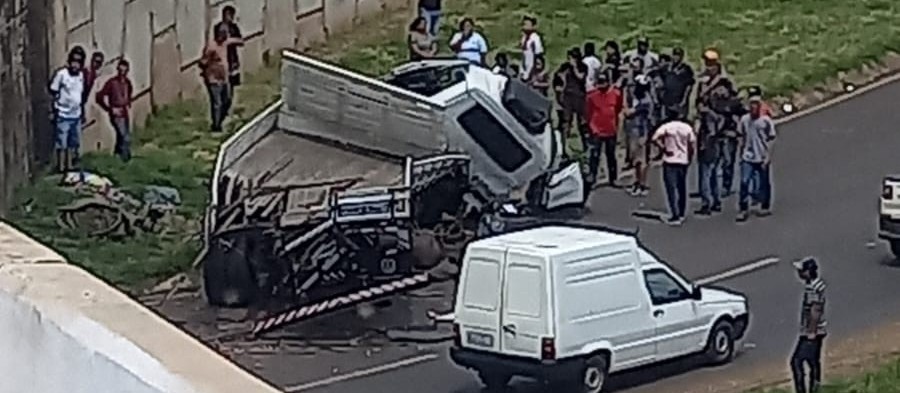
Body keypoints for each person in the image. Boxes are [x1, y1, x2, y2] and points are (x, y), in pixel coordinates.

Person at [696, 49, 742, 197]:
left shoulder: (726, 82)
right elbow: (698, 101)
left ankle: (726, 186)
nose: (708, 67)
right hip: (708, 126)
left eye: (711, 64)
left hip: (726, 125)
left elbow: (735, 102)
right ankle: (707, 188)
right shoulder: (702, 82)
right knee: (707, 159)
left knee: (727, 158)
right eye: (707, 63)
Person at [735, 95, 776, 222]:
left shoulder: (765, 121)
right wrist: (741, 153)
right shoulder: (744, 120)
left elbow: (771, 138)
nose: (753, 107)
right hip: (748, 156)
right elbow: (740, 136)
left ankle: (765, 205)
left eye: (756, 104)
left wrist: (768, 156)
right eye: (751, 104)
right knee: (744, 182)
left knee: (764, 183)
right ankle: (743, 208)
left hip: (761, 156)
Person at [652, 111, 696, 226]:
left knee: (671, 188)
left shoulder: (667, 126)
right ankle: (681, 212)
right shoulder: (687, 128)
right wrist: (689, 157)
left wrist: (664, 149)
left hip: (670, 160)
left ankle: (674, 214)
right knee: (682, 186)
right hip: (683, 160)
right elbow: (691, 145)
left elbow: (655, 138)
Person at [790, 257, 827, 393]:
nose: (799, 273)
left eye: (801, 270)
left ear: (807, 273)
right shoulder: (817, 285)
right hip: (819, 330)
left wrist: (811, 331)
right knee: (814, 362)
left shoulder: (812, 288)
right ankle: (815, 388)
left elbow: (815, 309)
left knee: (796, 361)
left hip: (812, 332)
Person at [200, 25, 242, 132]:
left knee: (227, 100)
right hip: (213, 79)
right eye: (224, 33)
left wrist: (239, 40)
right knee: (217, 103)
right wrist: (207, 70)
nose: (226, 34)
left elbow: (236, 41)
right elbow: (203, 62)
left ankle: (220, 119)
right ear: (218, 34)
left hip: (224, 78)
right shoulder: (211, 47)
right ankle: (216, 125)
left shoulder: (225, 43)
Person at [49, 50, 86, 173]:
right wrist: (53, 109)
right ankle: (60, 167)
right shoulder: (62, 74)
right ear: (69, 61)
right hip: (63, 114)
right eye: (73, 61)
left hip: (76, 114)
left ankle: (69, 166)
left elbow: (80, 95)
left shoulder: (81, 76)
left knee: (73, 142)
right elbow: (53, 90)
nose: (75, 65)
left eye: (78, 62)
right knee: (62, 142)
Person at [585, 73, 623, 187]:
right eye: (599, 83)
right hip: (596, 129)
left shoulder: (616, 94)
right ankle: (593, 177)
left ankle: (613, 178)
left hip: (610, 129)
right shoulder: (591, 96)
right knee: (595, 155)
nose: (601, 85)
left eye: (604, 82)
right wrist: (592, 127)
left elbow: (618, 109)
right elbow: (588, 113)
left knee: (611, 155)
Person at [95, 59, 134, 162]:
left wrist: (128, 103)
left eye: (124, 70)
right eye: (120, 70)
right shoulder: (112, 83)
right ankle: (126, 159)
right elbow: (99, 97)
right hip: (116, 112)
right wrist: (109, 109)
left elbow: (129, 93)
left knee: (121, 136)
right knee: (125, 136)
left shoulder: (127, 83)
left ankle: (117, 155)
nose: (122, 73)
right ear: (117, 70)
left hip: (124, 111)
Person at [624, 74, 654, 196]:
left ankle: (641, 184)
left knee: (641, 160)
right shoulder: (639, 98)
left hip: (642, 132)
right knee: (636, 159)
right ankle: (637, 182)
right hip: (635, 131)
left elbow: (628, 112)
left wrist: (626, 98)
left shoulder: (645, 101)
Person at [561, 48, 589, 150]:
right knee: (566, 121)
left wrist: (575, 67)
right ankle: (564, 147)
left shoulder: (583, 67)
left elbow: (581, 77)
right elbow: (560, 77)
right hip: (568, 95)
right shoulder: (565, 67)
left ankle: (585, 145)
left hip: (579, 96)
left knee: (582, 122)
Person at [659, 47, 695, 123]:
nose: (676, 57)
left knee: (679, 123)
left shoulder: (686, 69)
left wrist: (684, 100)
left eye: (678, 55)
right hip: (667, 101)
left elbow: (689, 86)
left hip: (679, 102)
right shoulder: (667, 67)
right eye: (675, 55)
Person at [213, 6, 244, 89]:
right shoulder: (218, 27)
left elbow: (241, 41)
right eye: (229, 15)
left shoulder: (234, 27)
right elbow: (217, 42)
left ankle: (230, 98)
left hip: (232, 58)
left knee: (232, 82)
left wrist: (232, 40)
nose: (231, 18)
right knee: (223, 83)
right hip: (222, 59)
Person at [519, 16, 544, 80]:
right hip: (524, 64)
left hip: (532, 66)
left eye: (527, 25)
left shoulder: (535, 38)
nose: (524, 27)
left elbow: (538, 53)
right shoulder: (524, 37)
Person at [81, 51, 104, 120]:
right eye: (96, 62)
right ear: (92, 60)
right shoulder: (84, 71)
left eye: (100, 63)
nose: (97, 65)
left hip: (84, 99)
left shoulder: (94, 74)